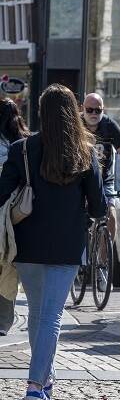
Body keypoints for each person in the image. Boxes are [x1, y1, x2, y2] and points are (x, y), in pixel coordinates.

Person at [0, 84, 106, 400]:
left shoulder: (21, 149)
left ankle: (44, 379)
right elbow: (99, 207)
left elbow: (2, 194)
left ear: (41, 112)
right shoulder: (85, 150)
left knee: (37, 314)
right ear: (73, 111)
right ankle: (35, 385)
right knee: (50, 317)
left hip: (28, 245)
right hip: (67, 245)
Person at [81, 93, 120, 243]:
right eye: (89, 110)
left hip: (104, 178)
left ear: (103, 110)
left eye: (98, 110)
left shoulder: (109, 125)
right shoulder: (75, 123)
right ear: (82, 108)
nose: (94, 113)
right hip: (79, 177)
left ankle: (103, 262)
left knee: (111, 216)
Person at [0, 98, 29, 336]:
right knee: (10, 264)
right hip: (20, 212)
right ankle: (4, 321)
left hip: (1, 208)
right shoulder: (25, 142)